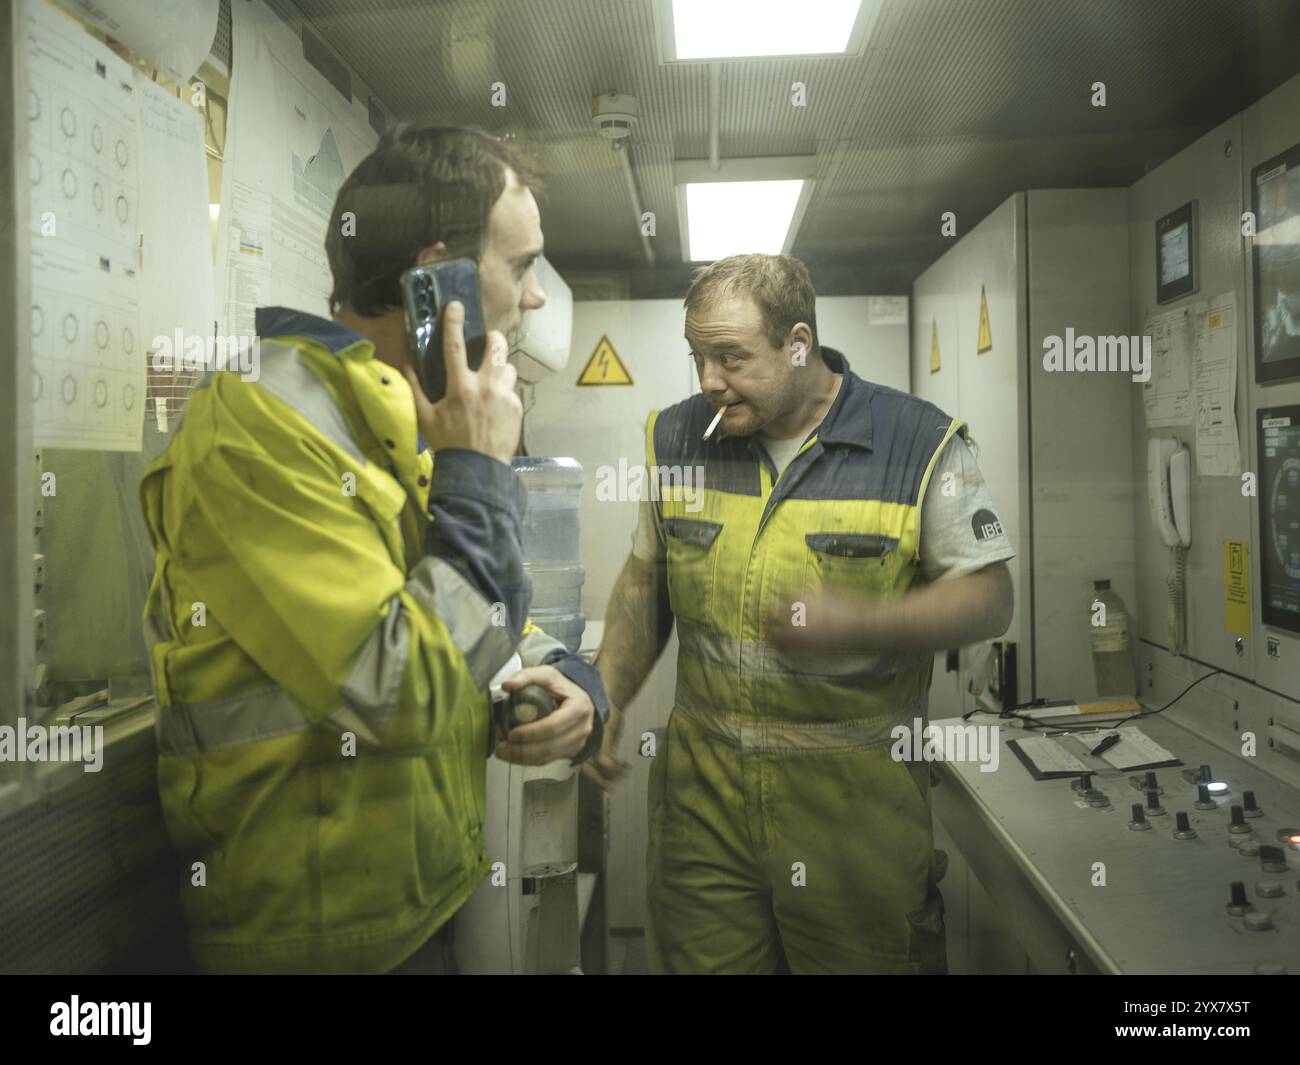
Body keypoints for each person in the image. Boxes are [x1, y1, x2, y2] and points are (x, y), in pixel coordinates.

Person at [139, 125, 608, 974]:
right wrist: (475, 465)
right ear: (438, 279)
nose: (536, 297)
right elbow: (399, 688)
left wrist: (572, 678)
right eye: (524, 264)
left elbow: (461, 614)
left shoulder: (398, 413)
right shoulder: (258, 422)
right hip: (309, 934)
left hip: (418, 895)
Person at [588, 253, 1014, 974]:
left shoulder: (917, 442)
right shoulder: (677, 439)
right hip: (705, 816)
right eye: (697, 356)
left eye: (730, 356)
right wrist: (607, 693)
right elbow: (643, 583)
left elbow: (989, 595)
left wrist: (859, 622)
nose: (708, 381)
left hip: (854, 823)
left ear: (797, 343)